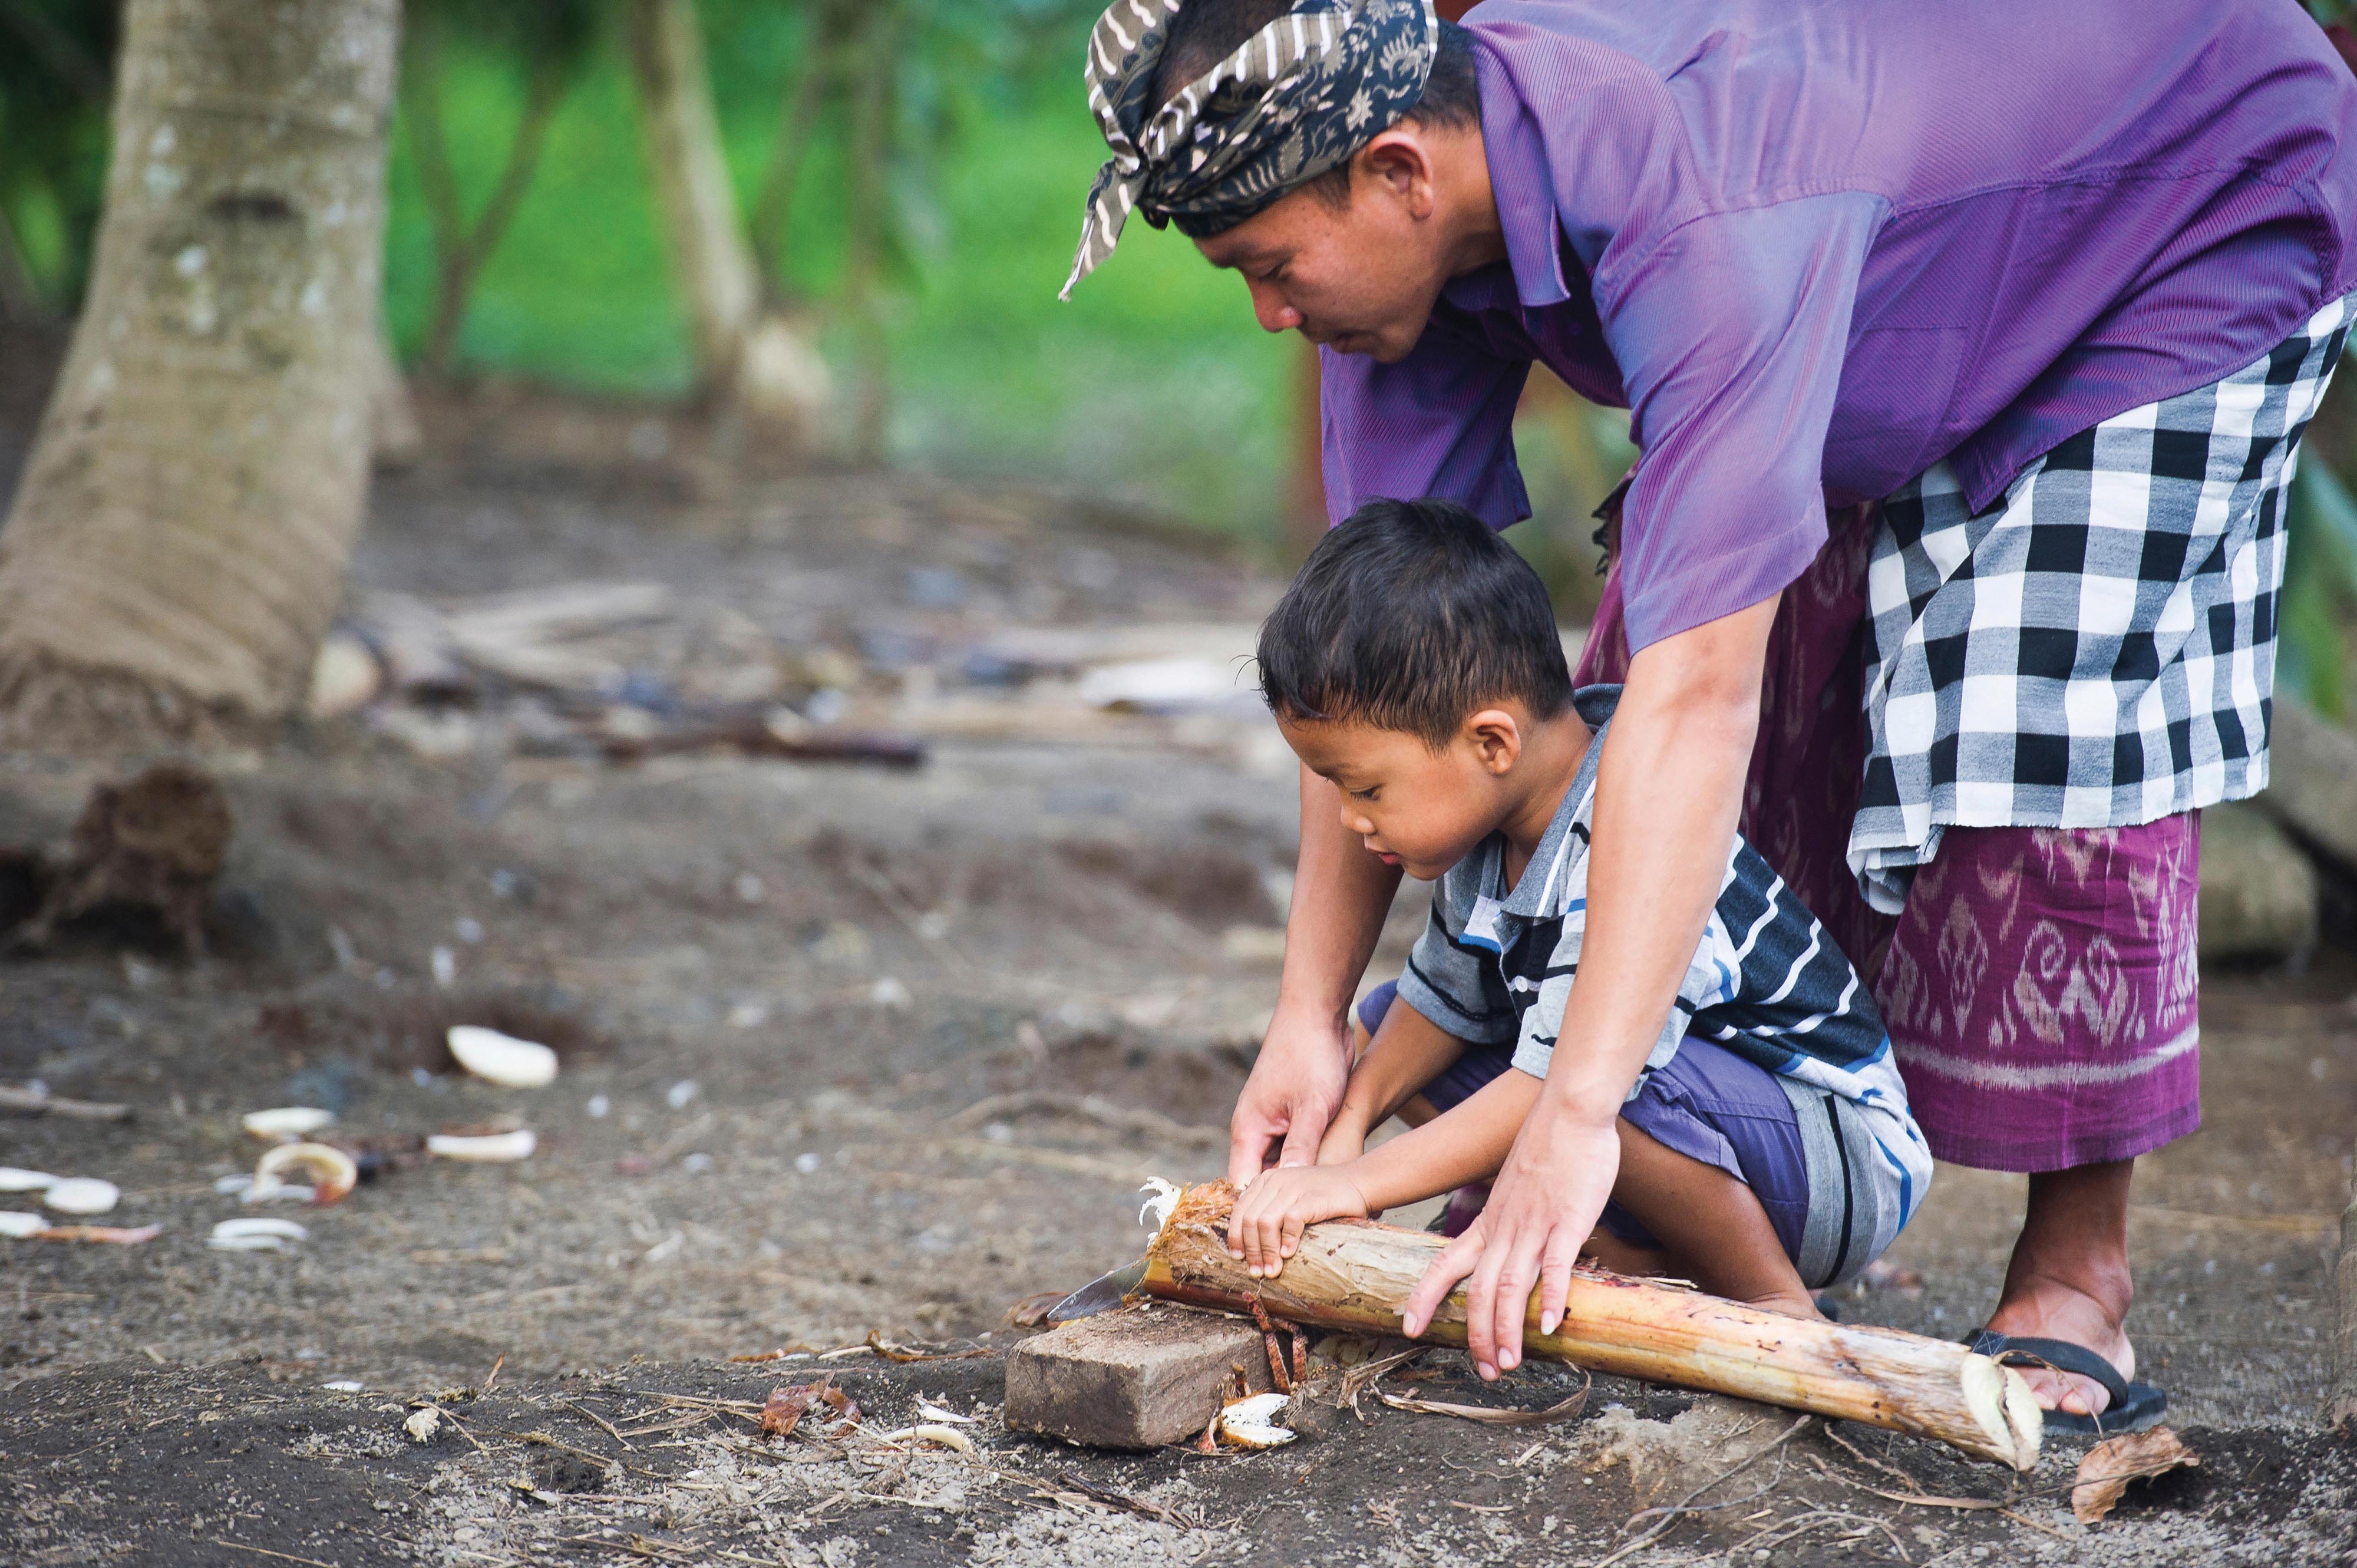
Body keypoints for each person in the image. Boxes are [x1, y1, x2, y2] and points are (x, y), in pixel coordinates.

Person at [1059, 0, 2357, 1432]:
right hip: (1901, 241)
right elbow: (1377, 669)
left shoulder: (1698, 201)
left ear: (1397, 175)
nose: (1270, 314)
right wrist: (1308, 1020)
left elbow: (1690, 698)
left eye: (1270, 266)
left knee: (2021, 701)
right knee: (1636, 696)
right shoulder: (1417, 257)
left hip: (2182, 198)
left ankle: (2073, 1272)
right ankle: (1690, 1193)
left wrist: (1571, 1118)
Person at [1227, 497, 1932, 1320]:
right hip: (1706, 1128)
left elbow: (1570, 1079)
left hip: (1836, 1156)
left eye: (1368, 787)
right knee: (1390, 1022)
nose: (1351, 820)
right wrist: (1346, 1124)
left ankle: (1775, 1299)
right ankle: (1651, 1252)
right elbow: (1437, 1005)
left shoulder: (1626, 825)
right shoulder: (1488, 833)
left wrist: (1352, 1183)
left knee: (1603, 1068)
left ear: (1492, 743)